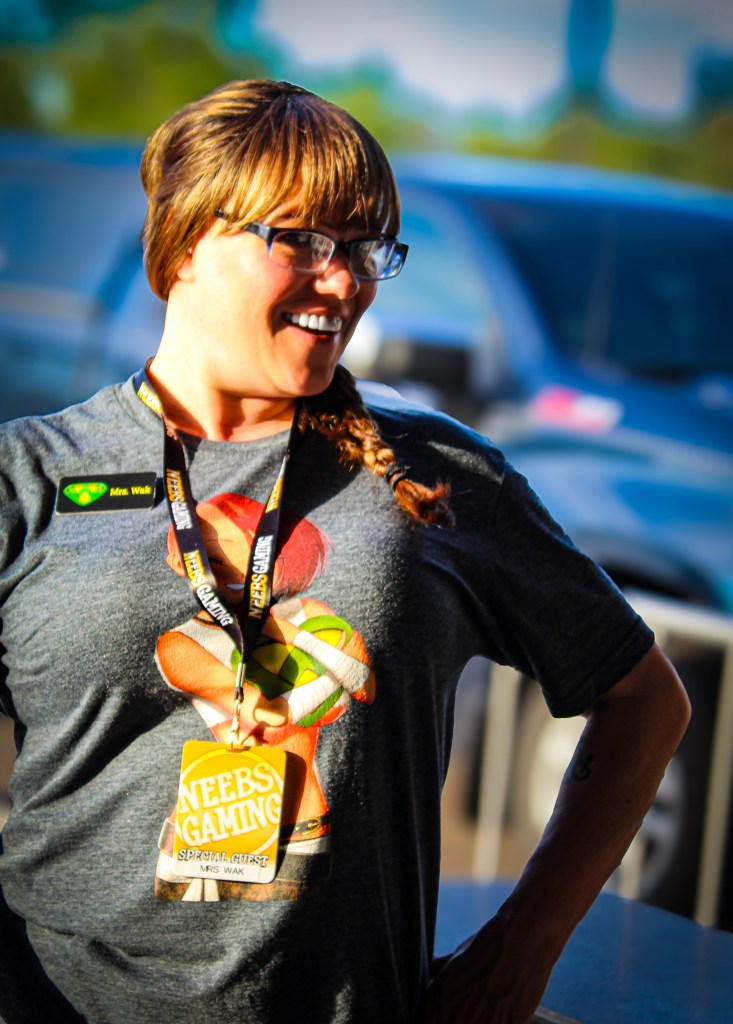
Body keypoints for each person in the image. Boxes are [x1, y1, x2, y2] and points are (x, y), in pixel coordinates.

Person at [0, 79, 690, 1024]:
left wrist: (521, 947)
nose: (345, 282)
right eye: (303, 241)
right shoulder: (30, 477)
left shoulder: (434, 474)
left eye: (365, 248)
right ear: (187, 241)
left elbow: (644, 698)